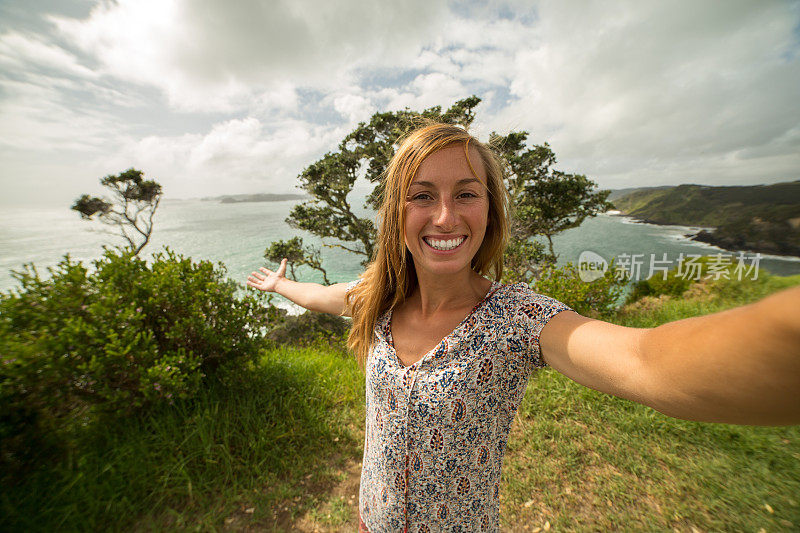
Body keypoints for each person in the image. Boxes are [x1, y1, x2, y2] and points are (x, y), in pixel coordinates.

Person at [247, 123, 800, 532]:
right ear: (398, 212)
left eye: (466, 192)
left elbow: (646, 360)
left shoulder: (519, 319)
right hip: (372, 521)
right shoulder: (381, 298)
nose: (444, 217)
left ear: (489, 210)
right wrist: (279, 287)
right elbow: (323, 295)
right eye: (422, 195)